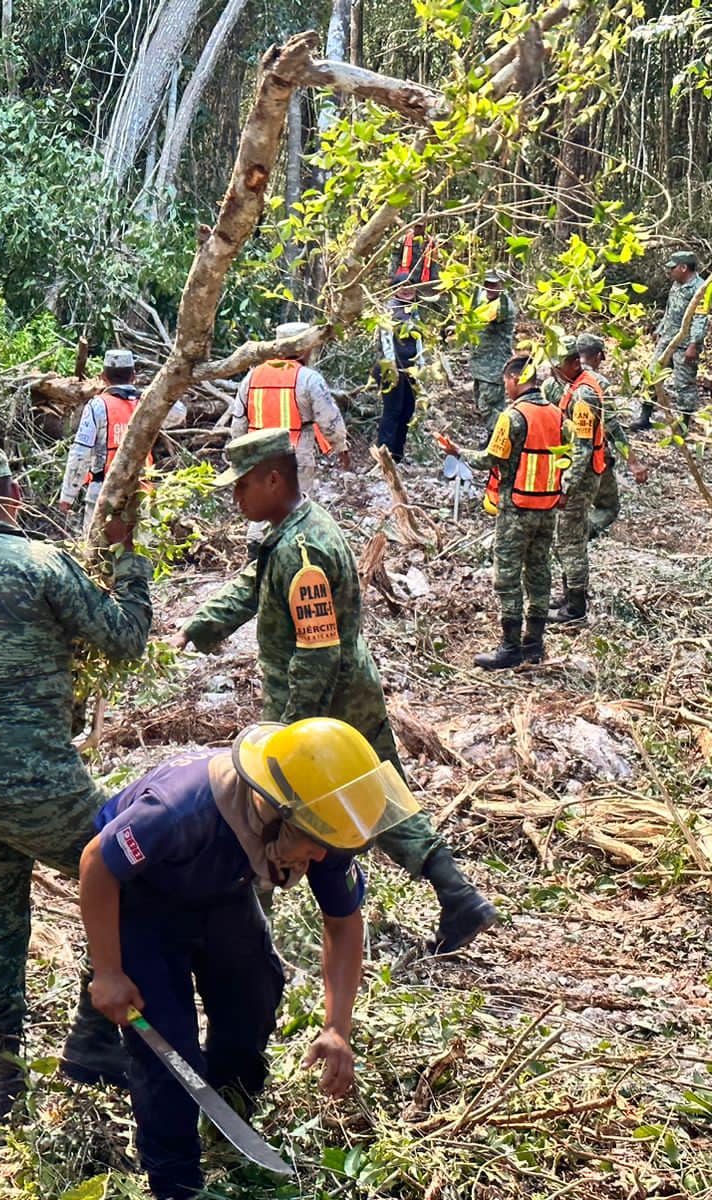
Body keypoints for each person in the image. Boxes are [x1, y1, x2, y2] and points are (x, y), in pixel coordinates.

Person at [169, 429, 497, 953]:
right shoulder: (288, 531)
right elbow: (251, 588)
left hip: (327, 703)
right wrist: (198, 627)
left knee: (271, 807)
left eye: (244, 486)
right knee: (378, 797)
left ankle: (253, 936)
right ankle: (457, 893)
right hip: (346, 693)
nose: (237, 498)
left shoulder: (305, 552)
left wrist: (291, 730)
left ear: (274, 479)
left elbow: (317, 651)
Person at [0, 444, 154, 1119]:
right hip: (37, 781)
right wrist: (131, 559)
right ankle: (94, 1041)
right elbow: (127, 639)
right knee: (135, 874)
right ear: (11, 493)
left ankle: (4, 1087)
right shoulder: (42, 564)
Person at [78, 718, 407, 1200]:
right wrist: (108, 971)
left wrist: (337, 1026)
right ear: (273, 811)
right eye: (313, 844)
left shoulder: (324, 823)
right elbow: (97, 863)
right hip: (141, 899)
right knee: (169, 1054)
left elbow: (343, 920)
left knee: (253, 996)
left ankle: (231, 1109)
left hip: (223, 893)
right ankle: (177, 1181)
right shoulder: (178, 810)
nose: (319, 858)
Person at [437, 355, 566, 669]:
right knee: (539, 573)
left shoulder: (513, 417)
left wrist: (457, 451)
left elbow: (491, 459)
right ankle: (534, 645)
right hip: (547, 507)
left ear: (516, 379)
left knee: (507, 578)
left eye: (507, 381)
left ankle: (510, 648)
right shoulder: (557, 414)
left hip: (517, 509)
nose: (505, 387)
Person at [57, 349, 186, 533]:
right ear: (133, 376)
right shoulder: (146, 403)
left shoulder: (97, 406)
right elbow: (179, 413)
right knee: (139, 551)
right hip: (140, 493)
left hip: (102, 495)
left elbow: (80, 454)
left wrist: (67, 497)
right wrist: (154, 393)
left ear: (103, 377)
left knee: (96, 553)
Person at [226, 322, 351, 493]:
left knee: (264, 508)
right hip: (295, 458)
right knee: (295, 509)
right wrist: (340, 447)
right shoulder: (309, 379)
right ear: (304, 348)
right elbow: (329, 420)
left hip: (257, 457)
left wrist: (239, 458)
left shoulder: (252, 376)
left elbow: (239, 422)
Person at [547, 340, 607, 625]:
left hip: (579, 480)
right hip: (576, 475)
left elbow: (582, 449)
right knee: (566, 538)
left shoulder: (583, 396)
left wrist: (565, 488)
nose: (556, 374)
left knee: (571, 542)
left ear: (573, 363)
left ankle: (575, 607)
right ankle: (568, 594)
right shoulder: (577, 385)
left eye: (559, 368)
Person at [576, 334, 649, 539]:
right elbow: (611, 427)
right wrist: (633, 463)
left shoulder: (556, 378)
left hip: (559, 454)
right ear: (598, 356)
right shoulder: (598, 383)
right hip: (592, 456)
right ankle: (581, 534)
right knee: (608, 507)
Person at [632, 249, 709, 430]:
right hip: (667, 340)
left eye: (672, 268)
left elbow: (701, 318)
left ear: (683, 268)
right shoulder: (677, 284)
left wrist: (694, 345)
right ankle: (645, 417)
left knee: (684, 384)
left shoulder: (700, 289)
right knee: (652, 376)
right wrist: (660, 330)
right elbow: (669, 310)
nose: (669, 271)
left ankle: (683, 426)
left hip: (685, 345)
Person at [373, 287, 423, 459]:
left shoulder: (414, 311)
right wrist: (391, 364)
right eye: (403, 287)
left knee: (407, 411)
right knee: (392, 410)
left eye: (411, 287)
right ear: (395, 289)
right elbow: (385, 338)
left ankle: (397, 455)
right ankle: (383, 455)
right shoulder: (389, 309)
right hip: (390, 367)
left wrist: (420, 364)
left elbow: (419, 340)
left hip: (410, 368)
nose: (408, 291)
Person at [468, 271, 517, 436]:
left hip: (493, 368)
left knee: (488, 406)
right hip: (480, 366)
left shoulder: (503, 305)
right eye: (486, 284)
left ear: (502, 286)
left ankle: (502, 440)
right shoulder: (485, 299)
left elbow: (481, 317)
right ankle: (494, 440)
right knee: (483, 406)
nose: (489, 288)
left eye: (494, 285)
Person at [392, 219, 440, 298]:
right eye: (417, 227)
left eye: (421, 227)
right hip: (405, 278)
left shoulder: (430, 242)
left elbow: (434, 263)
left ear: (425, 227)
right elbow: (395, 257)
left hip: (422, 280)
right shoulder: (404, 239)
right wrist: (392, 276)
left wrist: (435, 280)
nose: (419, 229)